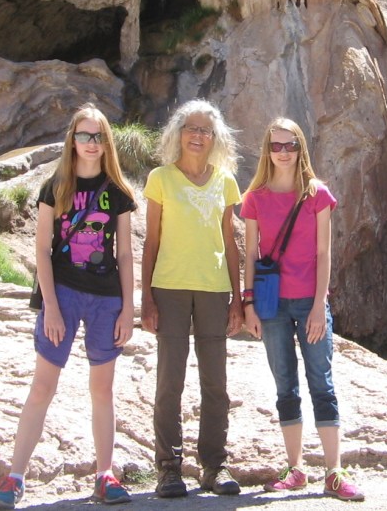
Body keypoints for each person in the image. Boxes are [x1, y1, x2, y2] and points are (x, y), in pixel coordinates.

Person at [0, 104, 137, 509]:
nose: (91, 143)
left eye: (98, 136)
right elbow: (42, 249)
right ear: (72, 140)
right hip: (64, 294)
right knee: (42, 386)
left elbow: (125, 254)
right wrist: (50, 306)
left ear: (107, 142)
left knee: (102, 389)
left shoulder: (118, 193)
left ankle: (104, 475)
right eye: (84, 135)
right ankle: (14, 477)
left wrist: (129, 309)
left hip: (106, 298)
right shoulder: (55, 187)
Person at [240, 118, 364, 502]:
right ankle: (295, 469)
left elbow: (324, 253)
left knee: (321, 382)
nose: (283, 152)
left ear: (300, 148)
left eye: (289, 145)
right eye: (276, 145)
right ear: (267, 150)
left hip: (309, 301)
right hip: (271, 305)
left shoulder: (317, 194)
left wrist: (319, 305)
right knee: (285, 385)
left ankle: (333, 472)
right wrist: (248, 304)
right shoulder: (255, 197)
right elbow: (250, 254)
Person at [141, 99, 243, 498]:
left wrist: (237, 299)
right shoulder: (161, 178)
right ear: (178, 133)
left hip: (215, 290)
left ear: (215, 138)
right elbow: (151, 241)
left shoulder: (226, 181)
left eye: (205, 130)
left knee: (216, 382)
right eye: (191, 128)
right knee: (170, 381)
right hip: (169, 288)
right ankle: (168, 468)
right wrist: (146, 299)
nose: (197, 136)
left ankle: (214, 466)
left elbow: (231, 243)